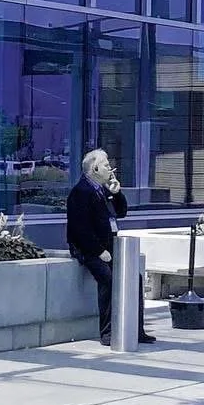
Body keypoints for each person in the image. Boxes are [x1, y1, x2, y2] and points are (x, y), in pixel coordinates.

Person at [66, 148, 155, 346]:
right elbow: (80, 228)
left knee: (135, 279)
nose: (110, 169)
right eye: (106, 165)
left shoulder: (102, 190)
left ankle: (137, 329)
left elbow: (121, 212)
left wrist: (116, 193)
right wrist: (99, 251)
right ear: (95, 168)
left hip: (109, 246)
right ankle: (107, 332)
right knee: (108, 280)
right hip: (89, 249)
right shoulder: (80, 192)